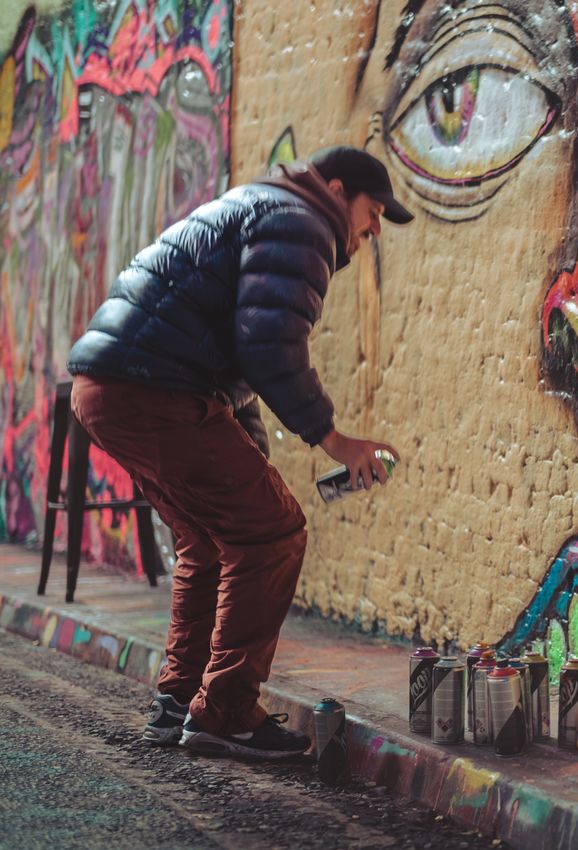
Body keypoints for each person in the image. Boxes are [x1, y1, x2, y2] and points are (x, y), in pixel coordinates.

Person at [66, 146, 412, 759]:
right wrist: (335, 439)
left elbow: (230, 359)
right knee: (273, 533)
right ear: (337, 190)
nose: (373, 228)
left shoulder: (263, 206)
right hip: (153, 388)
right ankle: (224, 712)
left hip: (112, 388)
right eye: (373, 210)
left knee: (210, 539)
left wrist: (252, 455)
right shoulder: (304, 223)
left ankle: (178, 702)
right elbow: (268, 345)